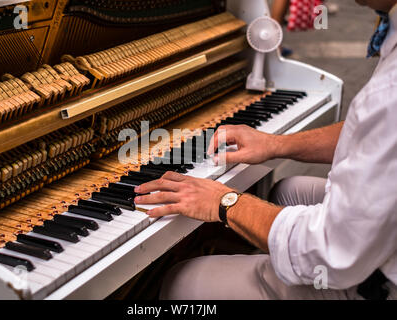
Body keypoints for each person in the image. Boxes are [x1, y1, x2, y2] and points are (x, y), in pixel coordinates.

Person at [134, 0, 397, 300]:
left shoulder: (391, 90)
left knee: (183, 282)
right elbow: (366, 133)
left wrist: (224, 202)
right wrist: (276, 144)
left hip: (379, 282)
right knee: (288, 192)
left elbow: (332, 251)